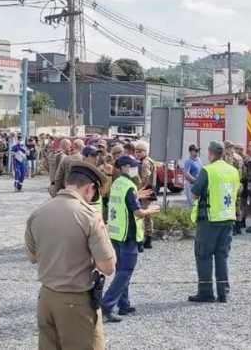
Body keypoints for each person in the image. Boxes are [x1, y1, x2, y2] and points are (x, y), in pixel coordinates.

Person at [25, 161, 116, 350]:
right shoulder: (89, 216)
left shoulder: (38, 213)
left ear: (68, 183)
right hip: (76, 300)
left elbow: (32, 257)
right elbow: (108, 267)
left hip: (46, 298)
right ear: (91, 189)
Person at [101, 155, 159, 323]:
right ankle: (107, 306)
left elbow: (124, 202)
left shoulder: (118, 183)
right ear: (125, 167)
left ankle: (124, 304)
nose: (136, 169)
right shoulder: (129, 186)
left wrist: (136, 195)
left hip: (116, 234)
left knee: (121, 271)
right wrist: (151, 210)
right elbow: (138, 212)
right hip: (128, 235)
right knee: (125, 272)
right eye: (133, 166)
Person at [188, 141, 240, 303]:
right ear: (223, 154)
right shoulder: (233, 171)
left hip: (210, 219)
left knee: (203, 255)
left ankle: (206, 292)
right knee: (221, 256)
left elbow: (195, 192)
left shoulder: (207, 171)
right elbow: (236, 190)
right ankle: (223, 293)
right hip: (228, 218)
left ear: (211, 154)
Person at [134, 141, 157, 249]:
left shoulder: (145, 163)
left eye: (139, 152)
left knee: (142, 215)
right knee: (147, 215)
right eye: (136, 152)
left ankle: (143, 239)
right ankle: (148, 238)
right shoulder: (149, 161)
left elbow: (145, 178)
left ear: (145, 152)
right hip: (149, 190)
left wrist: (138, 189)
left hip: (144, 191)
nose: (137, 154)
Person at [183, 144, 203, 209]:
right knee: (192, 205)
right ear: (191, 152)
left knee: (198, 204)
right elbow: (186, 173)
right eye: (196, 150)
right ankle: (191, 218)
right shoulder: (189, 162)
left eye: (198, 150)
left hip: (198, 185)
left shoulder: (199, 160)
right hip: (191, 186)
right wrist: (194, 180)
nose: (197, 152)